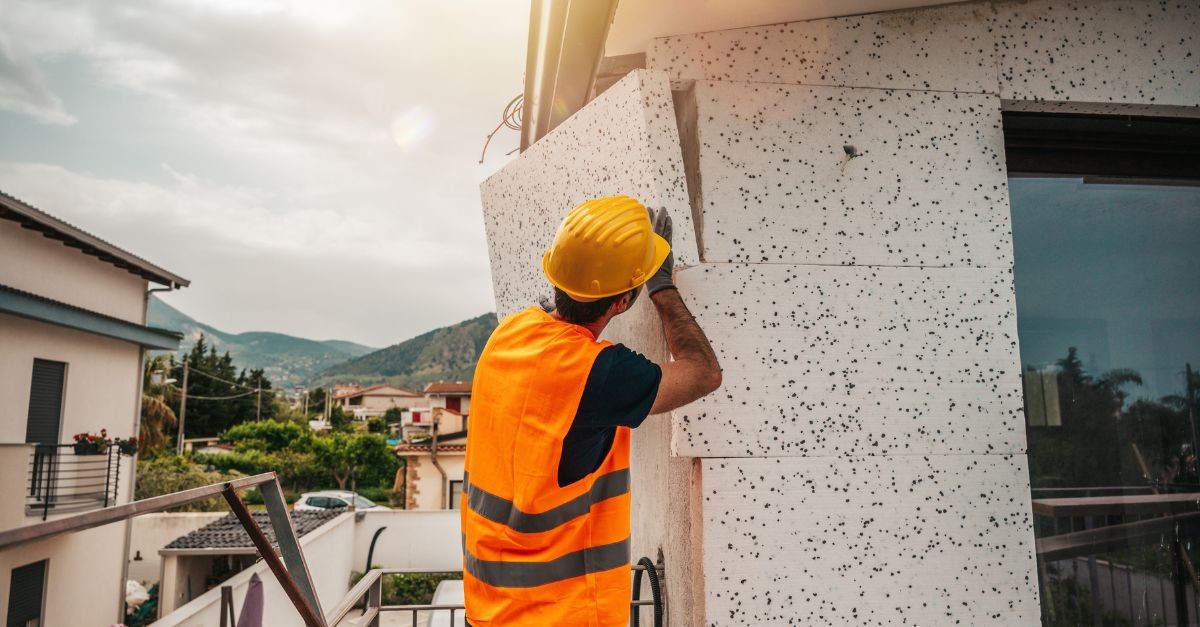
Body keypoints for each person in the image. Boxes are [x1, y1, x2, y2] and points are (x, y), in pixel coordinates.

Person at [461, 195, 722, 626]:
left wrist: (611, 261)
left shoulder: (511, 332)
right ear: (622, 302)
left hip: (490, 606)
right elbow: (703, 373)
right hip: (559, 615)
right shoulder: (598, 374)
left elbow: (562, 315)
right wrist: (661, 286)